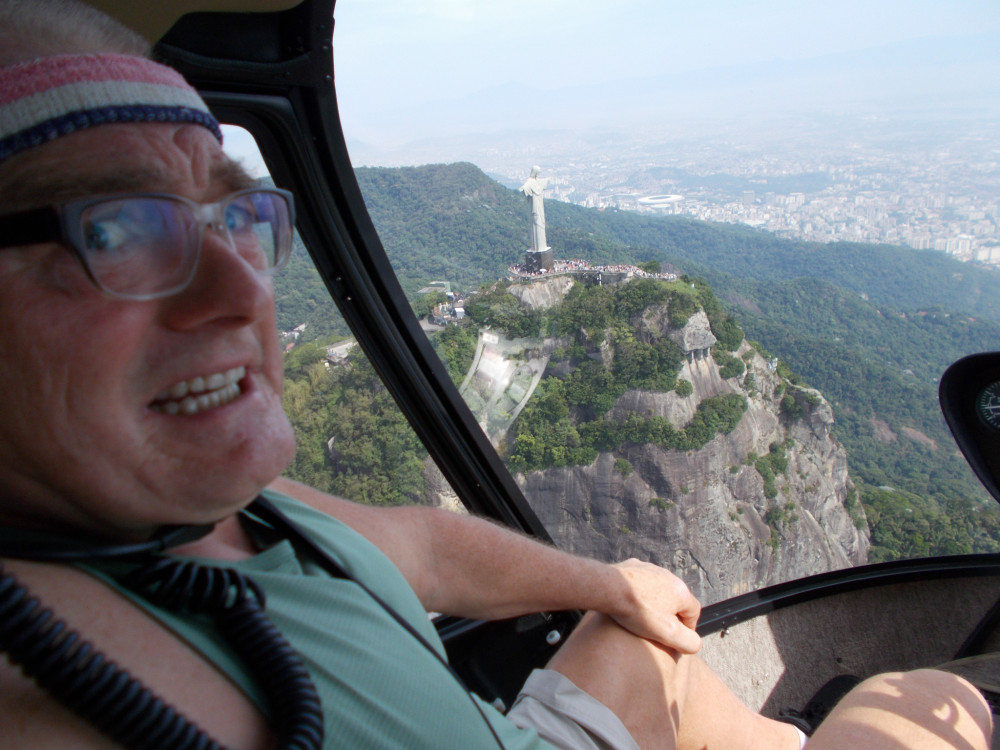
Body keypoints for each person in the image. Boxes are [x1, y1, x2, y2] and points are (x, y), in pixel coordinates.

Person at [0, 2, 992, 749]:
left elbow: (426, 550)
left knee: (652, 642)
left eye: (237, 217)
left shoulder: (223, 510)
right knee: (914, 703)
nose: (237, 289)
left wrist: (610, 581)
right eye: (116, 230)